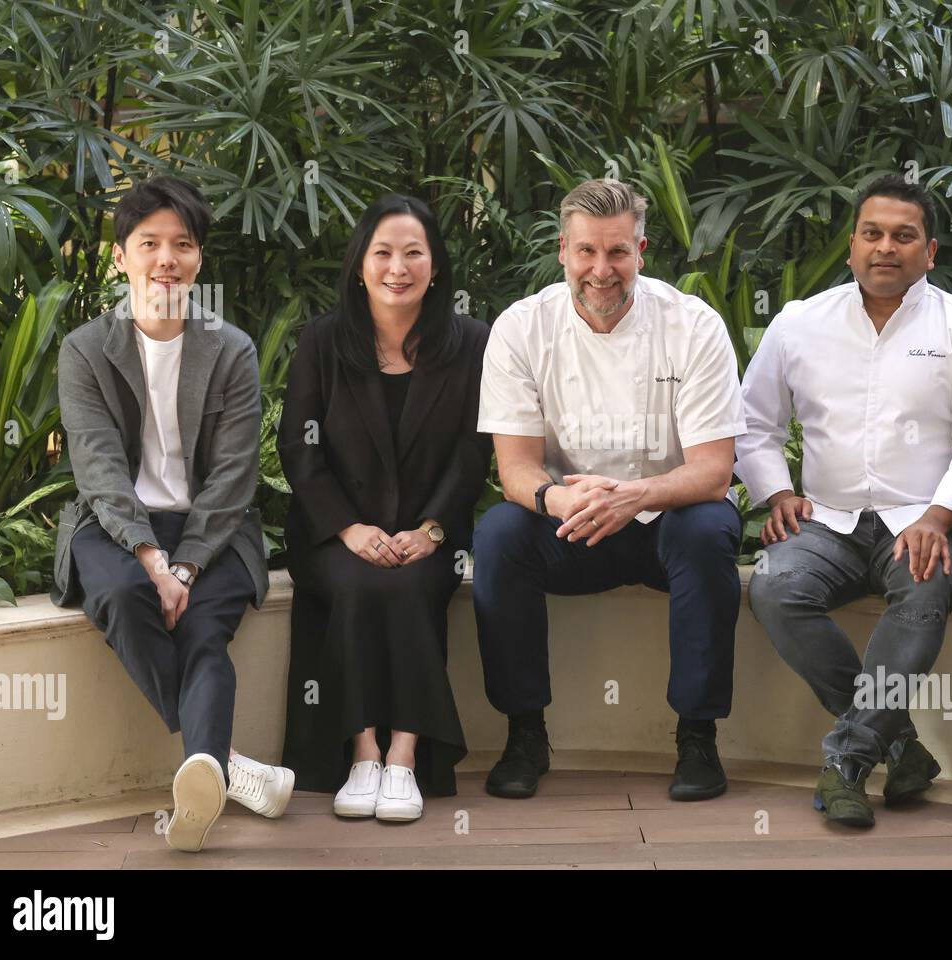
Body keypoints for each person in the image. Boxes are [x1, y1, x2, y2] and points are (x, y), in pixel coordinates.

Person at [738, 174, 952, 828]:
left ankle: (849, 759)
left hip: (933, 522)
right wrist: (775, 489)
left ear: (930, 252)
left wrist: (940, 517)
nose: (885, 247)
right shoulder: (800, 323)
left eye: (902, 236)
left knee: (920, 584)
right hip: (827, 522)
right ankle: (900, 747)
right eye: (872, 233)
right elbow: (751, 422)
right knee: (774, 585)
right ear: (853, 243)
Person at [472, 179, 746, 801]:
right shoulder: (522, 328)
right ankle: (524, 733)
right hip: (570, 522)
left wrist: (634, 496)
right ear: (563, 251)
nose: (602, 270)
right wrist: (560, 500)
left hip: (667, 524)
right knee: (498, 536)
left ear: (641, 251)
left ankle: (698, 738)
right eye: (587, 252)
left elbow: (713, 471)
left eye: (618, 252)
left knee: (708, 530)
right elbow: (515, 470)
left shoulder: (692, 325)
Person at [52, 175, 291, 853]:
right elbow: (98, 469)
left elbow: (233, 475)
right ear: (121, 257)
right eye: (148, 243)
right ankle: (226, 766)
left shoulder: (231, 349)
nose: (166, 259)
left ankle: (203, 787)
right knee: (127, 597)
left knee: (203, 633)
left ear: (199, 258)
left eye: (181, 244)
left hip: (211, 531)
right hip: (114, 527)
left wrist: (184, 561)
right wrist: (151, 559)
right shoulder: (86, 349)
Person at [278, 193, 491, 821]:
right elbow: (299, 445)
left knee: (404, 589)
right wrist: (348, 528)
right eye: (383, 253)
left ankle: (403, 758)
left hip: (432, 530)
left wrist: (431, 530)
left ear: (435, 264)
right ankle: (362, 752)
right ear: (361, 263)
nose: (398, 268)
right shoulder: (323, 341)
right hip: (333, 534)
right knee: (359, 586)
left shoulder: (471, 343)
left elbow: (474, 452)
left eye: (413, 253)